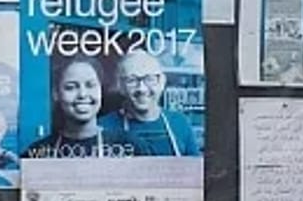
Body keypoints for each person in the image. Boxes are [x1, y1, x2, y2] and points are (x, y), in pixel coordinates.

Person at [21, 56, 150, 159]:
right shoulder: (38, 153)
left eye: (90, 85)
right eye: (71, 87)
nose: (83, 94)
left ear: (100, 90)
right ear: (56, 94)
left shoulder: (130, 146)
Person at [99, 50, 200, 156]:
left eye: (149, 79)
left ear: (162, 82)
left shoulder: (180, 123)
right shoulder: (103, 128)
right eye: (132, 80)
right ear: (121, 86)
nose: (142, 89)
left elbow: (197, 170)